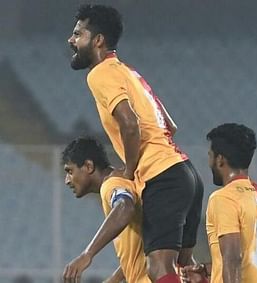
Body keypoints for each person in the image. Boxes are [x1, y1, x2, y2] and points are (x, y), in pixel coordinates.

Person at [67, 5, 204, 283]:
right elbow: (170, 126)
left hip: (162, 175)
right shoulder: (129, 73)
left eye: (78, 33)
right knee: (187, 269)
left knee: (159, 268)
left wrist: (129, 170)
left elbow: (130, 124)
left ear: (98, 40)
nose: (71, 40)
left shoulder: (100, 73)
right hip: (185, 172)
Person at [182, 123, 257, 283]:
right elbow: (252, 262)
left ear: (220, 160)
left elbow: (233, 258)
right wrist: (209, 270)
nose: (209, 162)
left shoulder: (224, 198)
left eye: (210, 155)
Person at [61, 136, 150, 283]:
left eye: (70, 171)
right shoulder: (124, 181)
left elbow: (125, 207)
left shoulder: (111, 185)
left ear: (89, 166)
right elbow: (141, 247)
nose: (67, 180)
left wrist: (87, 254)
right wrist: (114, 279)